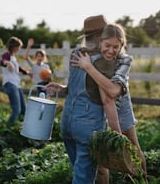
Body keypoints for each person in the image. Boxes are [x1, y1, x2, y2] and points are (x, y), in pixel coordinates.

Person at [44, 15, 124, 184]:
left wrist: (63, 89)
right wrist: (118, 135)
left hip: (67, 122)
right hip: (87, 125)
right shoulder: (103, 61)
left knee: (80, 173)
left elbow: (78, 87)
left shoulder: (76, 53)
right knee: (83, 179)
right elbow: (107, 101)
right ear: (102, 36)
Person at [72, 24, 148, 183]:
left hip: (121, 107)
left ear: (122, 45)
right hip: (99, 110)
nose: (111, 50)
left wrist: (89, 67)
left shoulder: (125, 60)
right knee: (102, 158)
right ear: (100, 42)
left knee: (133, 147)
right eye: (107, 45)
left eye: (116, 46)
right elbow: (88, 87)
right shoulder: (94, 57)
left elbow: (113, 92)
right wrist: (64, 88)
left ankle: (143, 179)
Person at [0, 36, 33, 124]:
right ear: (14, 46)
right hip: (10, 84)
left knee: (23, 109)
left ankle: (20, 128)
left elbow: (18, 68)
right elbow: (2, 61)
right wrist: (7, 63)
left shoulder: (13, 57)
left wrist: (27, 72)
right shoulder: (6, 55)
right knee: (16, 110)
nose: (19, 49)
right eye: (19, 47)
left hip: (16, 85)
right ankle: (7, 130)